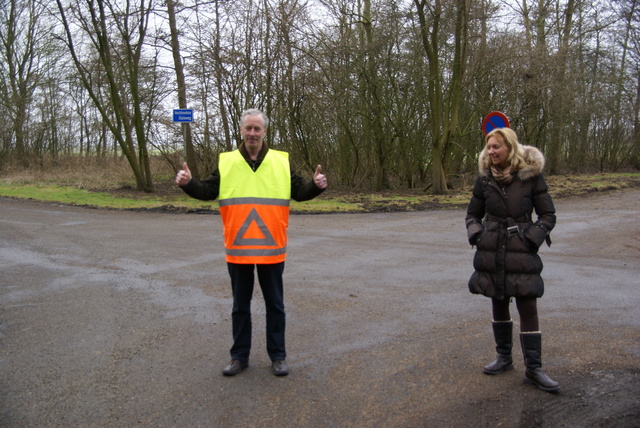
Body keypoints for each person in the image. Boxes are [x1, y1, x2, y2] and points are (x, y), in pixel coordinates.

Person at [175, 109, 327, 377]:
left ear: (265, 131)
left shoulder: (281, 162)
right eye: (248, 128)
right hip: (238, 247)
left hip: (272, 247)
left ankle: (278, 357)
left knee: (275, 306)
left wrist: (315, 185)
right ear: (242, 131)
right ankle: (239, 357)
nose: (253, 133)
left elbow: (300, 192)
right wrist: (189, 184)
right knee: (239, 307)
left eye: (257, 129)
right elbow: (208, 191)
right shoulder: (227, 162)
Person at [465, 127, 560, 393]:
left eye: (496, 146)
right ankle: (504, 358)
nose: (491, 151)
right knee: (498, 300)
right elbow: (472, 215)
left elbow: (547, 215)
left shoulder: (531, 177)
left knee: (527, 305)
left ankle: (534, 368)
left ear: (510, 147)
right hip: (491, 249)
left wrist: (530, 239)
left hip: (521, 250)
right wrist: (478, 236)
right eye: (489, 147)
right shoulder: (484, 179)